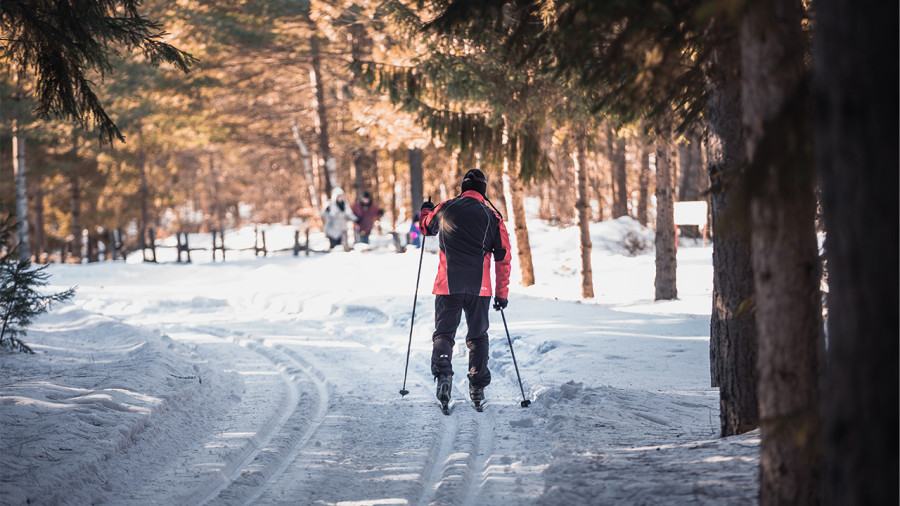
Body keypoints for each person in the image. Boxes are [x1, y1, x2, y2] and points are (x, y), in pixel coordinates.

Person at [418, 169, 511, 408]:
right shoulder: (493, 217)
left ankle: (444, 375)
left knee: (444, 334)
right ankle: (477, 386)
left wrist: (426, 210)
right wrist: (501, 293)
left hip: (448, 285)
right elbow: (504, 257)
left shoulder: (447, 206)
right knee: (478, 337)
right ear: (483, 190)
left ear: (463, 187)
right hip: (480, 288)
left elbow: (426, 227)